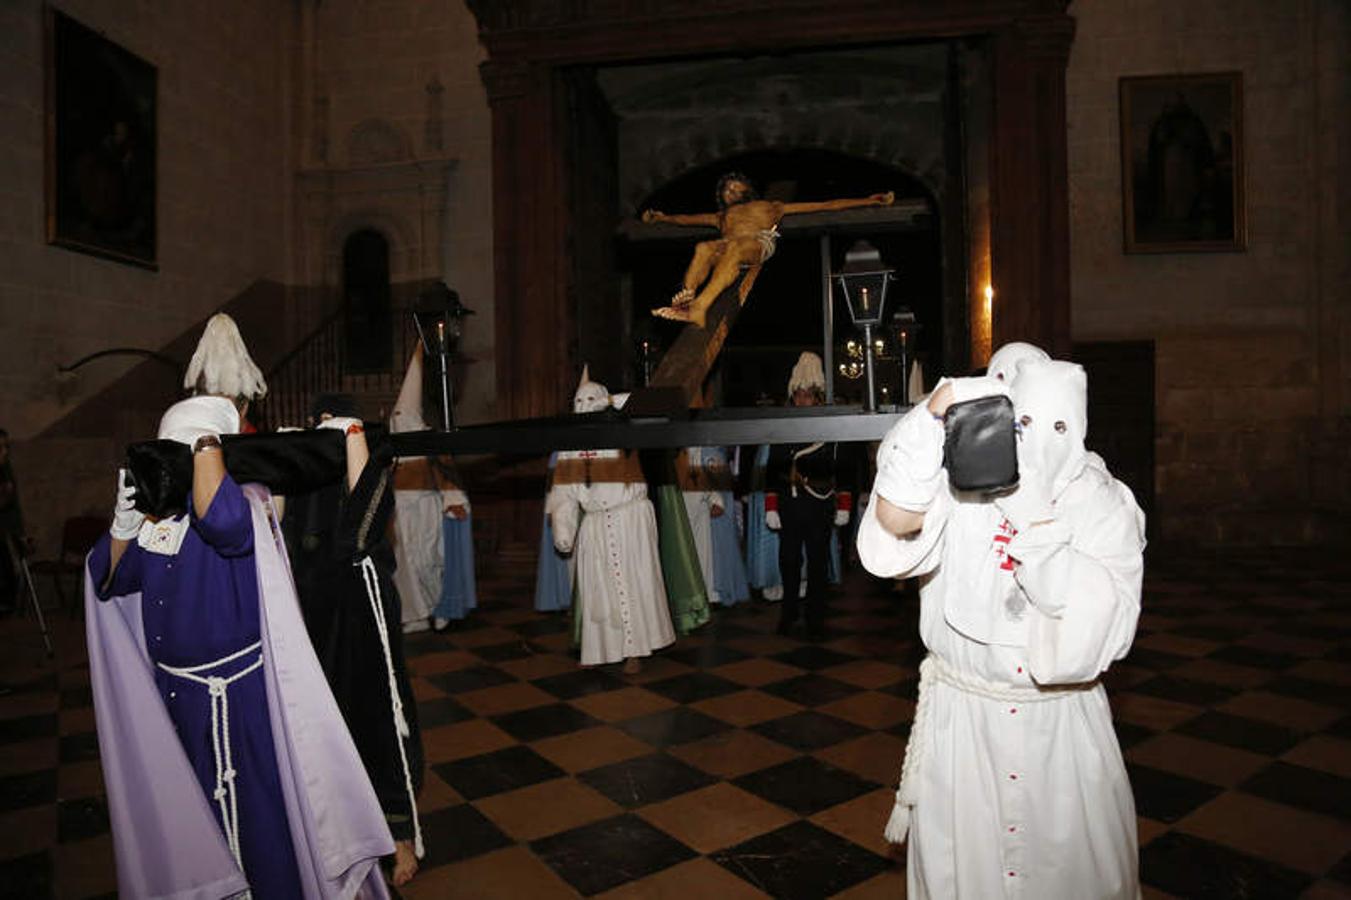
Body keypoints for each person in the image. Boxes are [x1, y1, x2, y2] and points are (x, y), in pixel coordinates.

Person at [84, 313, 391, 899]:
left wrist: (206, 443)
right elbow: (109, 581)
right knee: (196, 822)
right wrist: (124, 523)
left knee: (262, 822)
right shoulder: (154, 524)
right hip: (179, 698)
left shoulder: (246, 504)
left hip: (243, 696)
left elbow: (221, 523)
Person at [857, 357, 1145, 899]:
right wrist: (929, 416)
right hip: (962, 726)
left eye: (1056, 423)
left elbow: (1108, 627)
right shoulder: (955, 484)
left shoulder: (1102, 501)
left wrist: (1037, 523)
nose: (1036, 437)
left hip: (1060, 731)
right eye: (1021, 420)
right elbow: (890, 534)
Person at [282, 394, 425, 887]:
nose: (324, 429)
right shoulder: (300, 472)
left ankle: (399, 834)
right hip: (309, 610)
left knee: (377, 718)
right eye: (318, 422)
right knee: (322, 722)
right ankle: (337, 828)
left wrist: (354, 439)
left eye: (334, 423)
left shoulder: (372, 459)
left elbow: (362, 532)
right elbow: (279, 533)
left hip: (361, 610)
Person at [548, 369, 676, 674]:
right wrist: (563, 530)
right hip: (594, 523)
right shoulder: (570, 446)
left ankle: (635, 650)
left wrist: (608, 402)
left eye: (591, 399)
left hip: (629, 517)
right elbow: (563, 492)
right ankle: (602, 649)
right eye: (579, 401)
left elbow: (657, 406)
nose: (584, 405)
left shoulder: (625, 428)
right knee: (599, 589)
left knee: (635, 583)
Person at [643, 173, 894, 327]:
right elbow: (686, 219)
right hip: (729, 246)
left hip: (757, 242)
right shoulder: (721, 216)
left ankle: (700, 308)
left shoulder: (771, 206)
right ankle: (687, 298)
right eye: (725, 191)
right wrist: (661, 218)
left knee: (735, 247)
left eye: (734, 187)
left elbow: (826, 205)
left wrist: (869, 200)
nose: (729, 192)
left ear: (746, 188)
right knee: (704, 247)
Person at [765, 352, 854, 639]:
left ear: (817, 397)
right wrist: (772, 505)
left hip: (819, 504)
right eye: (799, 396)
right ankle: (789, 613)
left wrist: (843, 504)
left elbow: (844, 469)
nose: (803, 401)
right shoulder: (783, 427)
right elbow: (772, 469)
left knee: (817, 564)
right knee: (789, 562)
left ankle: (816, 616)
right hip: (790, 503)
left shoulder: (830, 428)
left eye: (808, 396)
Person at [388, 345, 476, 632]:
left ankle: (441, 606)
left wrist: (454, 500)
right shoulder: (391, 450)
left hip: (428, 509)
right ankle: (414, 615)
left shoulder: (431, 447)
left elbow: (447, 475)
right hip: (400, 514)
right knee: (407, 565)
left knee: (431, 560)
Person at [0, 429, 24, 614]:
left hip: (4, 532)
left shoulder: (5, 471)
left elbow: (9, 504)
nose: (4, 451)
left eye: (6, 446)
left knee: (9, 574)